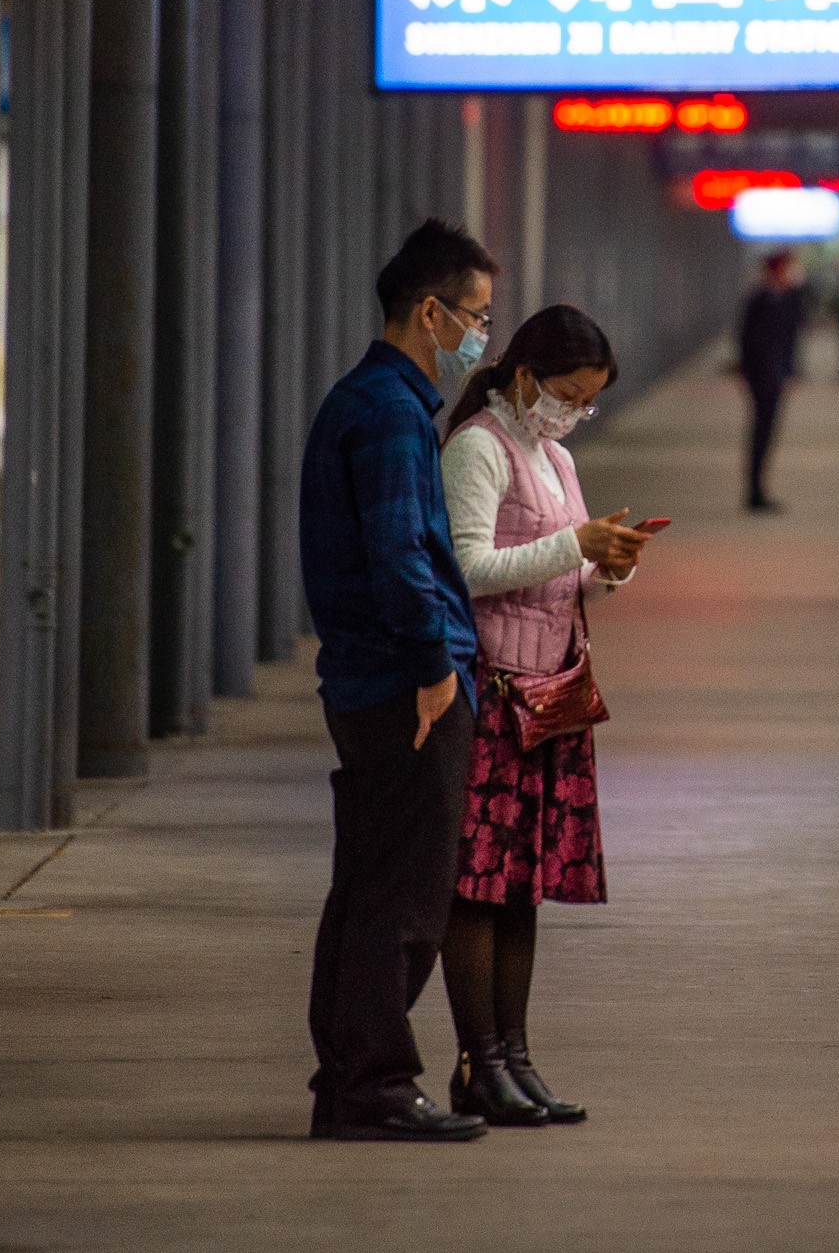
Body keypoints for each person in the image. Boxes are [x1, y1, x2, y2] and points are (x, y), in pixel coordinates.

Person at [298, 218, 499, 1143]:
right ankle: (376, 1083)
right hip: (401, 682)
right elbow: (399, 557)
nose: (480, 335)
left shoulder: (369, 402)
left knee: (366, 884)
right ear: (430, 310)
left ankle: (347, 1081)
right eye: (475, 315)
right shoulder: (388, 414)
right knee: (407, 895)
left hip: (366, 680)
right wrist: (432, 669)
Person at [437, 304, 651, 1131]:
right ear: (523, 375)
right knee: (478, 886)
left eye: (586, 400)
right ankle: (478, 1060)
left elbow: (568, 573)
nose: (572, 410)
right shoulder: (477, 448)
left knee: (521, 884)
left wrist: (611, 565)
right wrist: (577, 545)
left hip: (549, 691)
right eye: (567, 392)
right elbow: (467, 566)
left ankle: (515, 1057)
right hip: (493, 693)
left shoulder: (555, 456)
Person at [736, 250, 807, 512]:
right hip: (764, 375)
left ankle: (758, 488)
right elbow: (748, 339)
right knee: (762, 431)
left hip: (774, 373)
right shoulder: (762, 299)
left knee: (767, 431)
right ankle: (755, 491)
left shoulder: (784, 297)